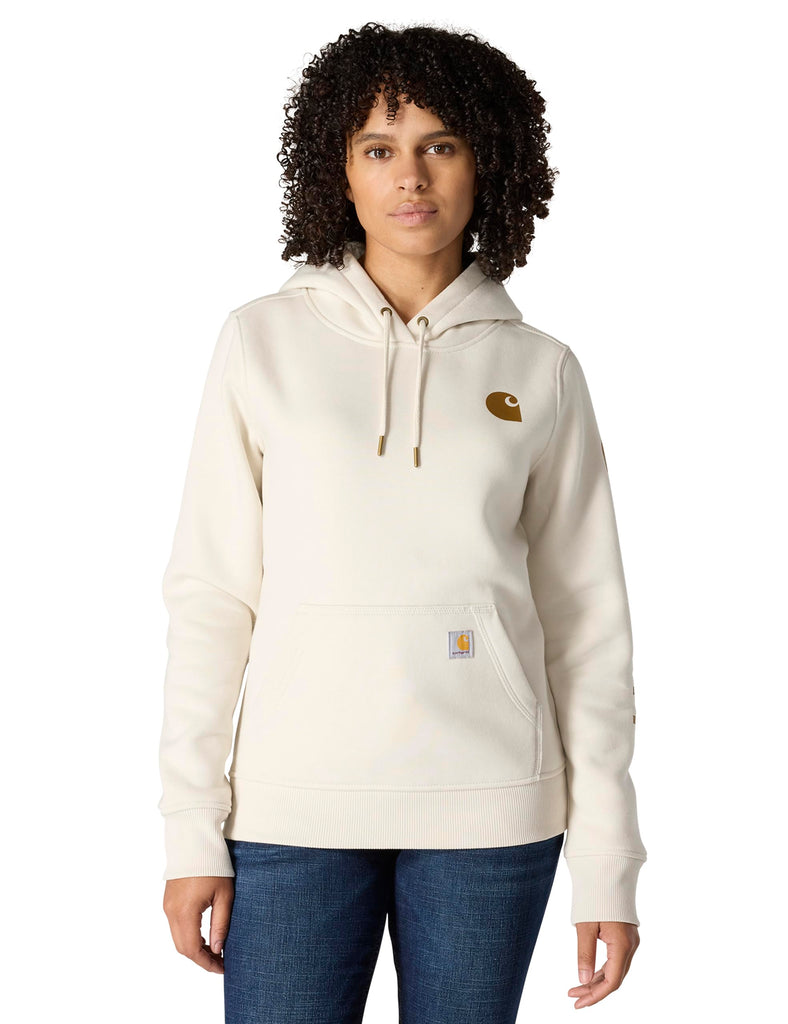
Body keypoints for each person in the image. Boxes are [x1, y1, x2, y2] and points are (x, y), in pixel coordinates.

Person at [158, 21, 647, 1021]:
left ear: (486, 163)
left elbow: (587, 627)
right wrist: (189, 828)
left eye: (440, 145)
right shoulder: (260, 343)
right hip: (292, 809)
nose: (409, 176)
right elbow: (211, 596)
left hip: (492, 814)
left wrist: (607, 862)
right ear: (338, 169)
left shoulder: (540, 370)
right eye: (378, 148)